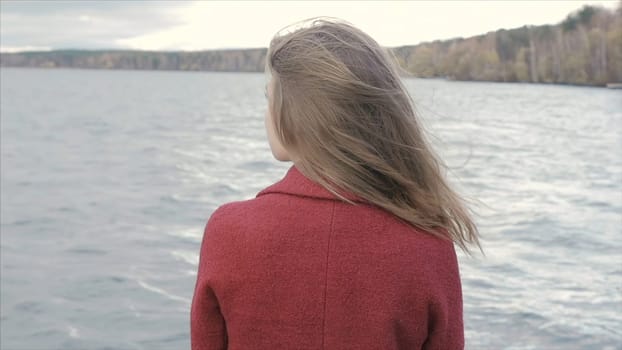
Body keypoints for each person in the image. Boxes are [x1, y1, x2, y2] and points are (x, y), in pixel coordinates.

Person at [191, 17, 481, 350]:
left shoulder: (229, 232)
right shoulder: (428, 243)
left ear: (299, 112)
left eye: (269, 97)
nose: (266, 111)